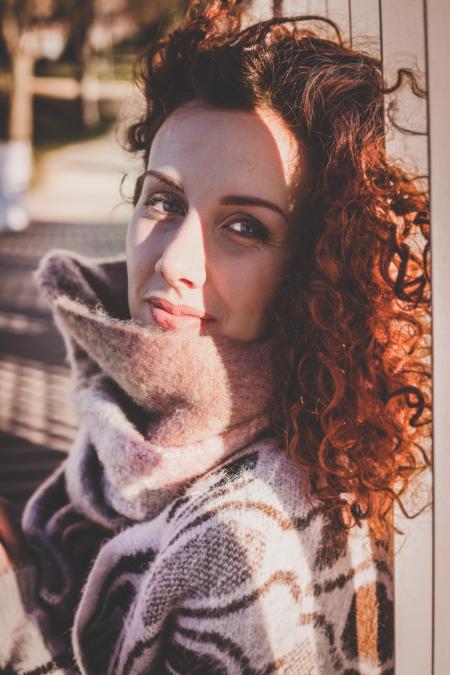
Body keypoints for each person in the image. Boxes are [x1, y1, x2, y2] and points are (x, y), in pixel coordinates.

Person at [0, 1, 430, 673]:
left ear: (307, 269)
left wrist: (9, 620)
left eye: (244, 227)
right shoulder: (130, 413)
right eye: (164, 201)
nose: (172, 262)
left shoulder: (246, 545)